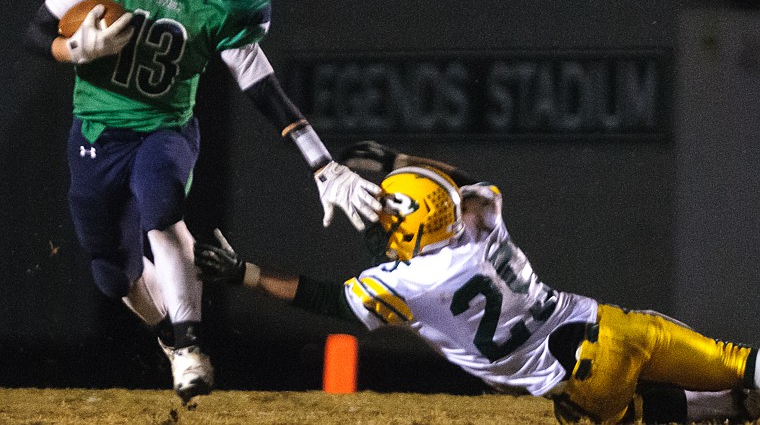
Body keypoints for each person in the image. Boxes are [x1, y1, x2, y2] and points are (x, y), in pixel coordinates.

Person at [22, 0, 381, 404]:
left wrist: (322, 163)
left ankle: (190, 344)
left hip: (165, 127)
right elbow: (35, 32)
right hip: (96, 127)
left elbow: (263, 88)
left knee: (159, 200)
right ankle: (171, 337)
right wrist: (73, 51)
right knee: (109, 272)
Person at [195, 140, 760, 424]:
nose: (381, 232)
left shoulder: (407, 282)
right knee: (737, 358)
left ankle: (723, 407)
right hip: (612, 324)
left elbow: (322, 299)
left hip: (581, 380)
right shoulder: (479, 221)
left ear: (413, 229)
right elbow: (462, 182)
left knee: (612, 411)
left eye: (390, 224)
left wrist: (245, 273)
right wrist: (398, 157)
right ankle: (741, 388)